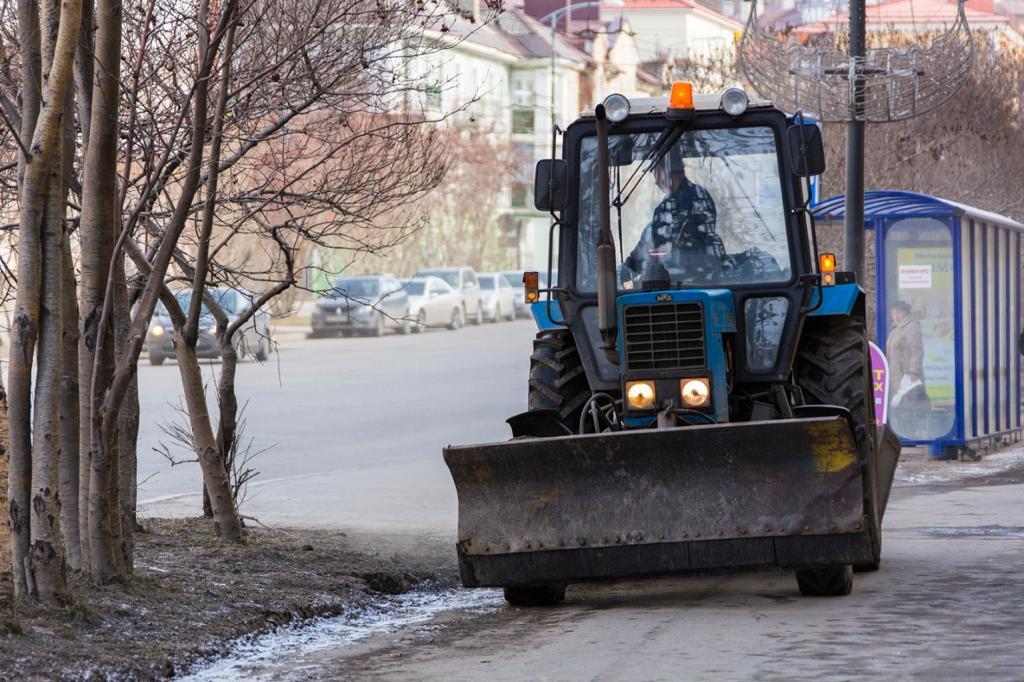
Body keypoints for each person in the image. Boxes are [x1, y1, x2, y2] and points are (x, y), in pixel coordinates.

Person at [623, 157, 724, 282]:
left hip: (682, 281)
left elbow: (655, 243)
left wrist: (626, 272)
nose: (656, 182)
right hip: (703, 278)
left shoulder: (674, 205)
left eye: (655, 174)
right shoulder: (701, 195)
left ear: (663, 171)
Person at [887, 300, 930, 439]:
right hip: (896, 374)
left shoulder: (911, 327)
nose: (896, 316)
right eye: (893, 313)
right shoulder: (896, 328)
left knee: (909, 405)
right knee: (900, 406)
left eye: (898, 312)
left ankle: (910, 435)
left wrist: (913, 371)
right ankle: (903, 435)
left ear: (905, 313)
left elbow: (917, 350)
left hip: (908, 375)